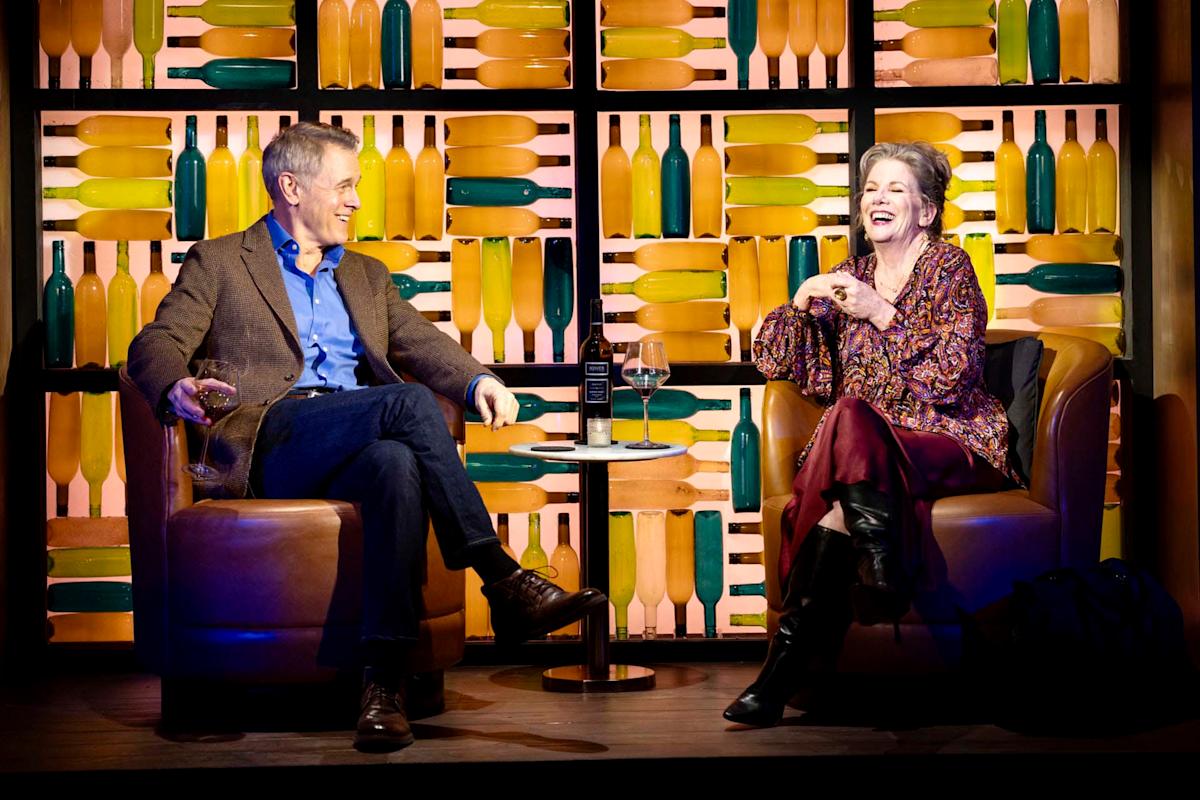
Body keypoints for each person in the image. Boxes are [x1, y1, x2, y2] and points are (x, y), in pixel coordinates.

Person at [126, 121, 606, 752]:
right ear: (291, 188)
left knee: (394, 467)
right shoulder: (221, 262)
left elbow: (422, 342)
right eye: (345, 186)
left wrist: (477, 382)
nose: (356, 201)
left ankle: (382, 687)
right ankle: (500, 575)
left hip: (356, 436)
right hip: (272, 438)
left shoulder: (366, 274)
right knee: (405, 405)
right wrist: (174, 389)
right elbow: (155, 342)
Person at [723, 141, 1021, 727]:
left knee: (850, 416)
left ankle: (782, 671)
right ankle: (873, 563)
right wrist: (799, 303)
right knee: (851, 419)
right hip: (867, 453)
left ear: (927, 210)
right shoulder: (850, 275)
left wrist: (879, 311)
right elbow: (775, 360)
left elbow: (952, 377)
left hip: (950, 438)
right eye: (869, 190)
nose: (876, 200)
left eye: (894, 190)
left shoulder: (949, 268)